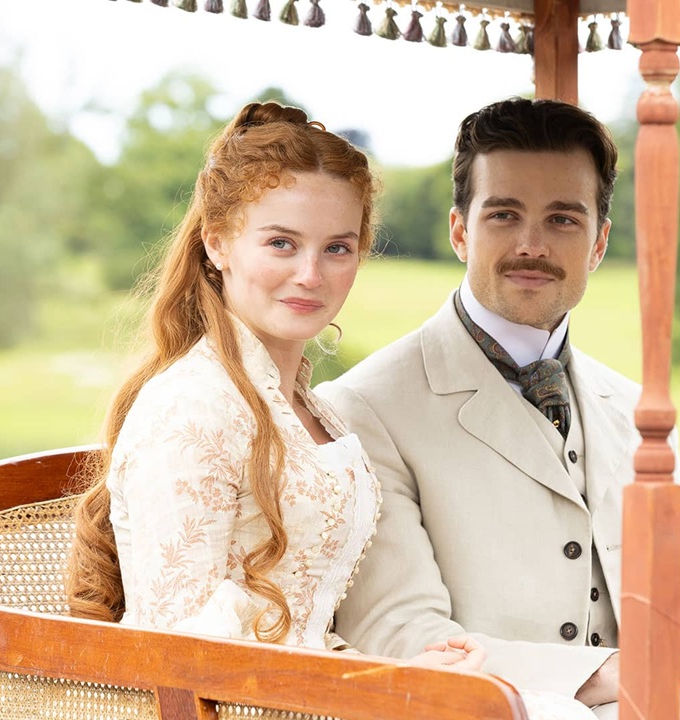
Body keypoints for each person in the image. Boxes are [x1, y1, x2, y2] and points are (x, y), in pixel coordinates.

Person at [63, 100, 596, 720]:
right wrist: (372, 690)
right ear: (217, 242)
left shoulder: (310, 409)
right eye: (282, 243)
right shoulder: (192, 409)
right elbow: (180, 655)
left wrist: (401, 675)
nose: (310, 275)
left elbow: (305, 631)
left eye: (337, 248)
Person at [316, 98, 680, 720]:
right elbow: (403, 636)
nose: (531, 245)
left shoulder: (637, 412)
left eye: (563, 220)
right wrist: (607, 675)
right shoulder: (364, 409)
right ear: (460, 231)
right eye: (504, 215)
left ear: (598, 243)